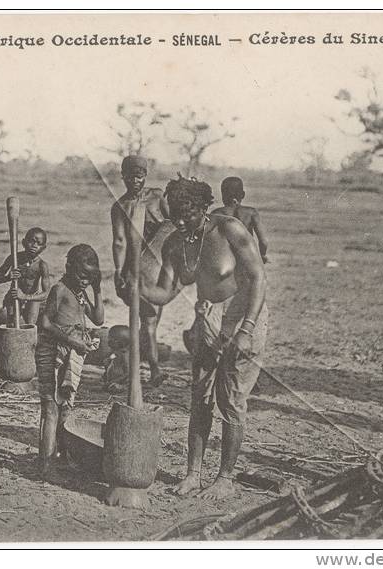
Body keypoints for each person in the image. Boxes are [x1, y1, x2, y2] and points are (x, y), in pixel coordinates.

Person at [140, 175, 267, 500]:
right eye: (175, 217)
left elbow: (257, 280)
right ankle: (193, 474)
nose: (181, 222)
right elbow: (164, 293)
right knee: (200, 396)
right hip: (207, 318)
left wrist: (247, 329)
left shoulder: (229, 230)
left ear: (203, 208)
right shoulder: (175, 242)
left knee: (231, 399)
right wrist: (137, 289)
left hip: (242, 312)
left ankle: (225, 477)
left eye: (188, 214)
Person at [35, 244, 104, 477]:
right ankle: (45, 464)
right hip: (53, 352)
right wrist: (74, 342)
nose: (85, 281)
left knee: (65, 407)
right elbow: (44, 323)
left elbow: (99, 319)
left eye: (90, 278)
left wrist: (99, 288)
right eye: (82, 276)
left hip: (71, 354)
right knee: (51, 408)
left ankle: (62, 458)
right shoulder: (60, 290)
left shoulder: (80, 292)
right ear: (68, 268)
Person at [110, 155, 173, 387]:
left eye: (140, 176)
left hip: (160, 269)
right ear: (123, 177)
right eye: (131, 176)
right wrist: (118, 270)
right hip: (136, 271)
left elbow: (172, 223)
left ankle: (133, 361)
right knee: (148, 322)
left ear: (145, 176)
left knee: (150, 323)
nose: (135, 181)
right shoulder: (120, 207)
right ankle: (153, 369)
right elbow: (119, 241)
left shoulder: (157, 196)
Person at [0, 227, 52, 328]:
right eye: (32, 241)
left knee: (30, 326)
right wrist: (8, 277)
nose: (34, 246)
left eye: (39, 243)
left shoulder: (42, 265)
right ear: (24, 242)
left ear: (44, 247)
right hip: (15, 295)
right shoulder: (15, 258)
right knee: (12, 324)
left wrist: (25, 297)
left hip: (32, 297)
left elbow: (46, 294)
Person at [213, 176, 269, 263]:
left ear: (222, 195)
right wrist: (262, 255)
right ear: (243, 195)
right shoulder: (251, 212)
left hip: (225, 258)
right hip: (247, 258)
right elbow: (264, 241)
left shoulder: (216, 214)